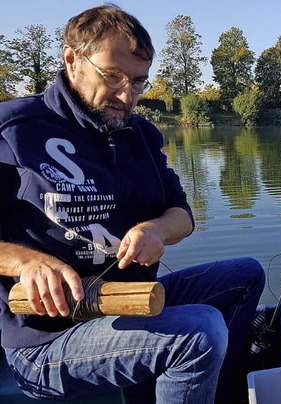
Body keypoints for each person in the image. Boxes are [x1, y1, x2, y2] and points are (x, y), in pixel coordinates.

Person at [0, 4, 265, 403]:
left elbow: (182, 214)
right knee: (201, 330)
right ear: (73, 60)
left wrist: (156, 229)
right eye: (113, 76)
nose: (127, 95)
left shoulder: (140, 134)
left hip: (130, 303)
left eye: (139, 82)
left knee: (246, 275)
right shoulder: (13, 129)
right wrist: (26, 263)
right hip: (46, 342)